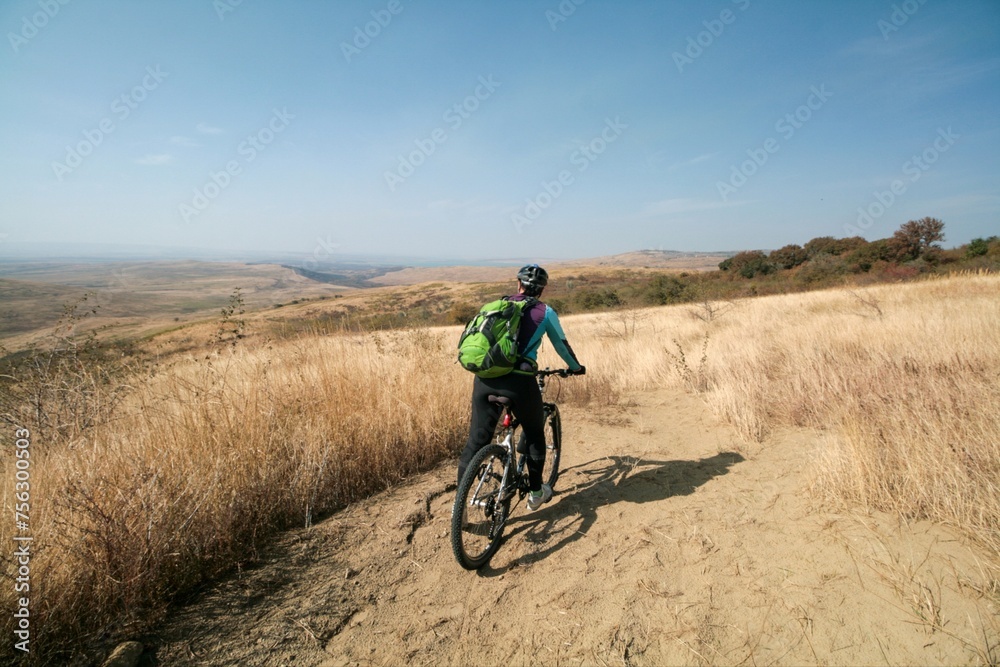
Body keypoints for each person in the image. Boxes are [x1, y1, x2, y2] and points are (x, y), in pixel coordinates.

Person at [457, 264, 585, 511]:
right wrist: (576, 367)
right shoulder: (544, 312)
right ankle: (536, 494)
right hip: (519, 382)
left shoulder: (492, 307)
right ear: (542, 290)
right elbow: (561, 346)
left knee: (476, 440)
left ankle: (459, 507)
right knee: (535, 433)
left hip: (484, 379)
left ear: (518, 284)